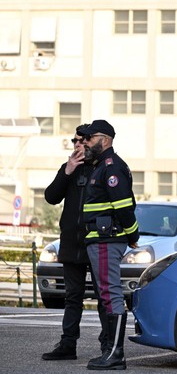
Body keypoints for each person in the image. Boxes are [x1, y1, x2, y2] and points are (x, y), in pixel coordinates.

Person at [42, 125, 108, 361]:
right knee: (72, 297)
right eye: (75, 141)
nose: (78, 144)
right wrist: (67, 171)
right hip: (71, 243)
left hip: (97, 242)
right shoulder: (69, 169)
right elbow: (51, 197)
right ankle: (67, 345)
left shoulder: (102, 169)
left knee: (103, 297)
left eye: (83, 140)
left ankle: (107, 347)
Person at [80, 119, 139, 371]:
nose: (86, 143)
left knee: (111, 294)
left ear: (104, 139)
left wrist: (133, 235)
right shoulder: (100, 166)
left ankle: (115, 354)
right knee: (106, 294)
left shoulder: (111, 167)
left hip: (107, 239)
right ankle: (112, 351)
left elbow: (124, 207)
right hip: (100, 239)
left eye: (90, 139)